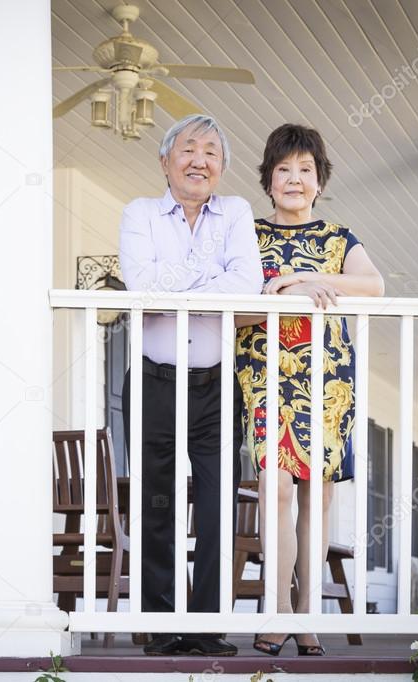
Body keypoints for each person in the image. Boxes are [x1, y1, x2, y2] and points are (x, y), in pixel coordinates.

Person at [235, 123, 383, 657]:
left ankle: (306, 615)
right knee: (274, 488)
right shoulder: (245, 234)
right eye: (284, 169)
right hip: (267, 371)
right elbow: (233, 297)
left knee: (316, 498)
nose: (294, 179)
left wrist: (296, 278)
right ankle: (275, 608)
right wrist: (288, 283)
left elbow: (374, 284)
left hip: (326, 378)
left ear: (319, 181)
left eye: (305, 170)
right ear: (268, 179)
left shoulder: (339, 237)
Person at [119, 114, 263, 657]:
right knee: (155, 504)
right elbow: (142, 285)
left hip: (214, 386)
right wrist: (209, 278)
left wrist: (175, 277)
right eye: (188, 149)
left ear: (221, 168)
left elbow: (246, 286)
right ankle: (161, 628)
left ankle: (204, 629)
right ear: (165, 161)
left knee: (216, 506)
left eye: (211, 152)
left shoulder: (238, 213)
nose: (199, 160)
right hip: (155, 382)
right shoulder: (139, 213)